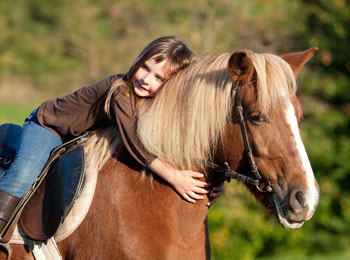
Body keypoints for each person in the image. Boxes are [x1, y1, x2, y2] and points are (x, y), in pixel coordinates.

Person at [0, 36, 211, 240]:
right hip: (49, 127)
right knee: (26, 170)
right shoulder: (120, 91)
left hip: (76, 140)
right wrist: (174, 177)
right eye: (145, 68)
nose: (146, 79)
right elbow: (135, 143)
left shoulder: (152, 104)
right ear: (138, 61)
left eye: (159, 78)